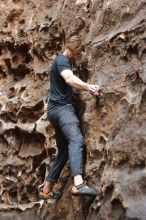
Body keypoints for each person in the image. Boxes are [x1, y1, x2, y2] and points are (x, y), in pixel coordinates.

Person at [39, 35, 100, 201]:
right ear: (71, 50)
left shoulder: (63, 61)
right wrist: (88, 87)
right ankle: (78, 184)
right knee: (77, 140)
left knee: (64, 151)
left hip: (53, 111)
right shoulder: (62, 61)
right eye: (77, 53)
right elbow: (69, 78)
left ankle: (46, 190)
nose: (78, 56)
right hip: (62, 110)